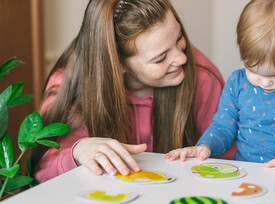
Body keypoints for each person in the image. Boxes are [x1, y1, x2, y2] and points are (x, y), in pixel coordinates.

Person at [32, 0, 236, 183]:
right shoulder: (69, 84)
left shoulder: (202, 78)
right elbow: (42, 171)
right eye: (160, 58)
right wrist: (77, 152)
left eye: (179, 37)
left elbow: (232, 163)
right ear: (118, 64)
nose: (182, 58)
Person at [166, 0, 275, 177]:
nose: (265, 82)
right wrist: (205, 146)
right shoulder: (237, 82)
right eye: (253, 71)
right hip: (246, 175)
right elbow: (223, 128)